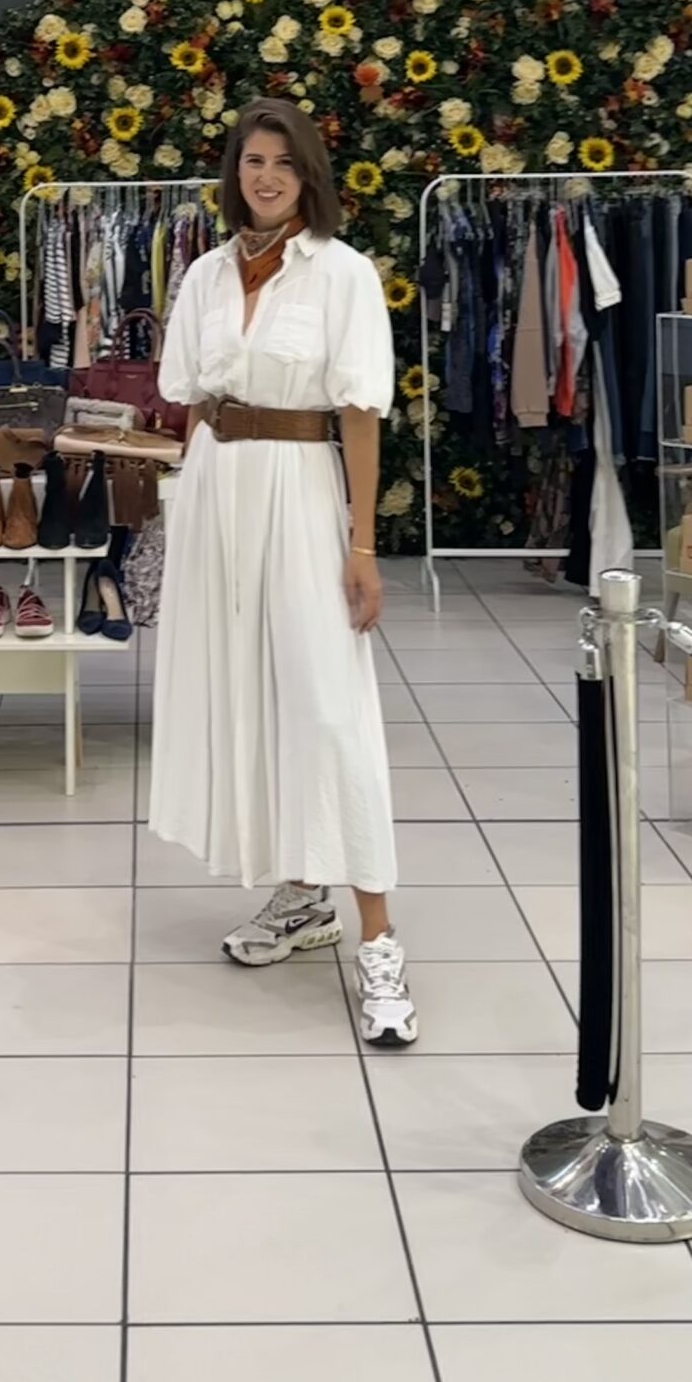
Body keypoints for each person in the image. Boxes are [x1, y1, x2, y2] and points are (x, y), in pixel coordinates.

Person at [149, 97, 415, 1049]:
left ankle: (378, 940)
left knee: (328, 705)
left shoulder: (343, 274)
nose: (265, 177)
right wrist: (188, 505)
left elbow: (360, 415)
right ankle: (303, 897)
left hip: (301, 491)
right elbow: (189, 399)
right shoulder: (205, 274)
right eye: (253, 161)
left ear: (309, 177)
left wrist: (361, 544)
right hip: (217, 491)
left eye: (284, 163)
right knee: (250, 693)